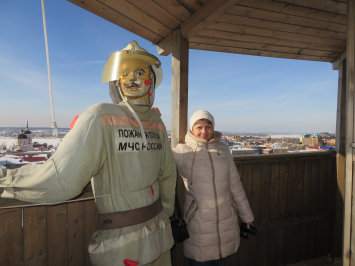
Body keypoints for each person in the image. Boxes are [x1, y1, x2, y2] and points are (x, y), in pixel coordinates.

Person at [0, 41, 176, 266]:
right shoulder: (155, 122)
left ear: (149, 79)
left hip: (125, 244)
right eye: (126, 73)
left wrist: (5, 180)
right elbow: (168, 178)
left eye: (139, 73)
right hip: (159, 233)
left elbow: (60, 179)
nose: (132, 79)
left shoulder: (100, 116)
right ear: (117, 82)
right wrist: (166, 212)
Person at [172, 110, 254, 266]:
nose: (204, 131)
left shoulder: (223, 150)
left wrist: (247, 217)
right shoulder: (182, 152)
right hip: (198, 224)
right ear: (192, 129)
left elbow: (235, 185)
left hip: (226, 223)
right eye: (199, 127)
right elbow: (158, 157)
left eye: (208, 126)